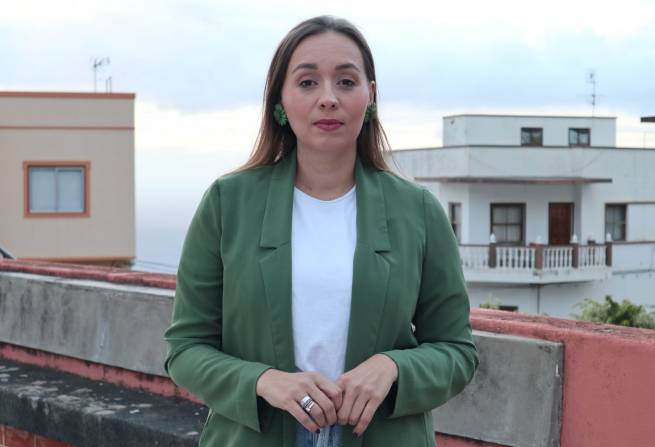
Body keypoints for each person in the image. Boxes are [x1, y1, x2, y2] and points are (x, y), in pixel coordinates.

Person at [163, 15, 479, 447]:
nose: (328, 99)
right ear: (280, 99)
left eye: (346, 82)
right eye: (307, 82)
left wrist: (392, 368)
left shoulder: (418, 211)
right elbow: (185, 349)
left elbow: (457, 351)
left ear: (370, 96)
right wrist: (264, 381)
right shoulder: (227, 203)